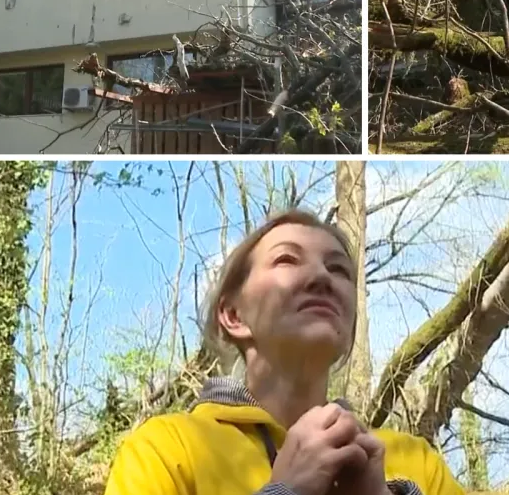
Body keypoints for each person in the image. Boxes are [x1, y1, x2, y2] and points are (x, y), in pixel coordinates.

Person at [104, 210, 466, 495]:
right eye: (287, 260)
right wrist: (286, 492)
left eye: (338, 268)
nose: (322, 277)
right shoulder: (169, 448)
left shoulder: (414, 462)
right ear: (233, 315)